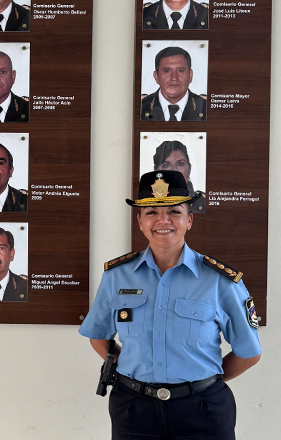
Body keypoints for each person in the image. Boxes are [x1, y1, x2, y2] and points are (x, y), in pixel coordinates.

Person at [79, 170, 261, 440]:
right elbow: (98, 335)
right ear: (139, 221)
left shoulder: (220, 281)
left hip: (203, 411)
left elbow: (249, 352)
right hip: (133, 410)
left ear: (189, 220)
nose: (163, 220)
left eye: (174, 211)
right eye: (151, 212)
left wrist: (201, 384)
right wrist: (130, 368)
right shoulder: (117, 275)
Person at [140, 46, 207, 121]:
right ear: (156, 76)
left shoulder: (206, 108)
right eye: (167, 71)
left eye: (180, 70)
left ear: (190, 75)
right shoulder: (141, 107)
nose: (174, 78)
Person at [152, 140, 205, 212]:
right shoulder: (146, 202)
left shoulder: (203, 201)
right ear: (156, 171)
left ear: (189, 168)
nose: (175, 170)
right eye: (166, 165)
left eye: (180, 164)